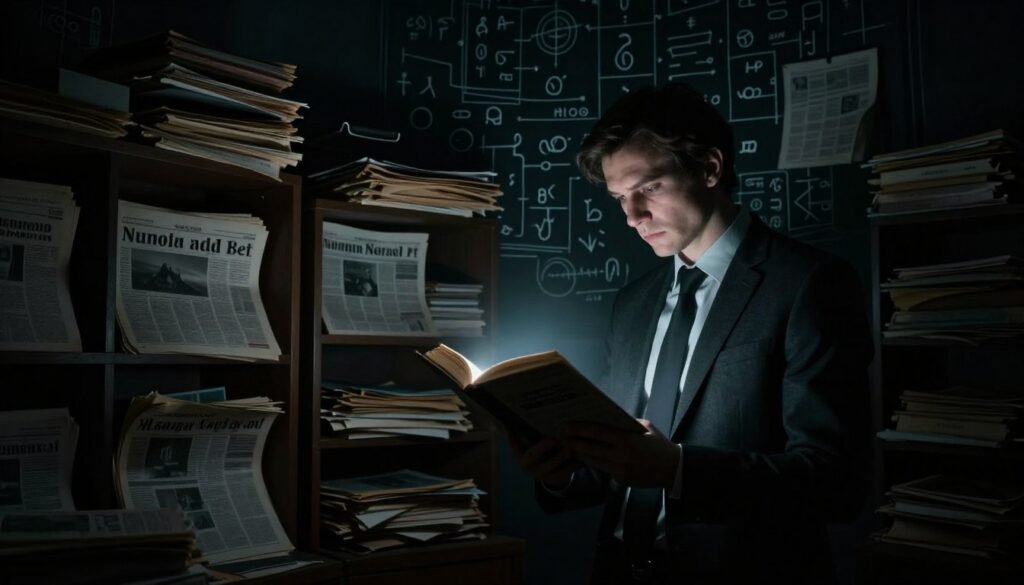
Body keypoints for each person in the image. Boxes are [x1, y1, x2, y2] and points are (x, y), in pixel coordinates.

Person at [508, 83, 873, 584]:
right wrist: (560, 474)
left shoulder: (810, 285)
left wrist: (677, 471)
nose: (632, 217)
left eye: (649, 188)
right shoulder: (632, 304)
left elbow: (835, 482)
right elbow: (619, 462)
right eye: (620, 198)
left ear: (709, 168)